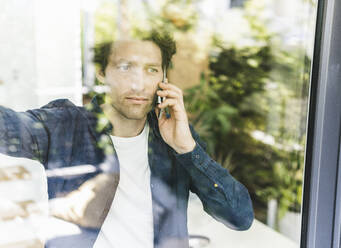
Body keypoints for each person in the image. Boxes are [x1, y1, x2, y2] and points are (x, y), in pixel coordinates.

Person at [0, 31, 254, 248]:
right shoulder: (65, 124)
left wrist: (187, 148)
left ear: (163, 78)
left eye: (151, 70)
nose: (138, 84)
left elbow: (239, 217)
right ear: (102, 72)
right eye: (125, 67)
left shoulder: (174, 138)